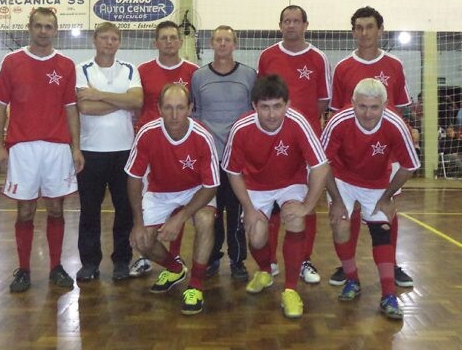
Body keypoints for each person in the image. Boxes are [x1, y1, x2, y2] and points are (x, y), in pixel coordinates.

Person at [0, 7, 84, 293]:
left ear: (56, 31)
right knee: (25, 211)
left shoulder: (67, 65)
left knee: (57, 209)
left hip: (57, 148)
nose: (43, 31)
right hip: (22, 148)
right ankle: (24, 269)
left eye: (49, 26)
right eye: (39, 26)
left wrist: (76, 148)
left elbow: (71, 110)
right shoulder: (11, 61)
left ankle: (56, 266)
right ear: (29, 27)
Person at [222, 75, 327, 319]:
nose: (271, 114)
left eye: (278, 106)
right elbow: (233, 171)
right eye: (265, 107)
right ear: (254, 106)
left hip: (290, 182)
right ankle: (264, 271)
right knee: (256, 233)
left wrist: (307, 206)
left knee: (295, 218)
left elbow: (321, 167)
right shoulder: (241, 127)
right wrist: (247, 208)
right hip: (255, 185)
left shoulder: (298, 122)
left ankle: (290, 289)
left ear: (287, 104)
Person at [327, 6, 413, 288]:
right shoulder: (343, 67)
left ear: (380, 30)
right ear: (353, 32)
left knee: (387, 210)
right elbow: (335, 111)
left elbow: (400, 110)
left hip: (386, 153)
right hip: (350, 153)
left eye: (370, 27)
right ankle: (346, 265)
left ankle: (394, 264)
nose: (364, 33)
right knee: (345, 212)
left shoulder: (395, 65)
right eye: (359, 27)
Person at [321, 78, 421, 320]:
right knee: (340, 225)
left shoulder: (396, 125)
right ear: (352, 103)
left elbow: (409, 166)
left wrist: (387, 198)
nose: (367, 113)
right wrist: (336, 199)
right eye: (362, 106)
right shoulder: (338, 122)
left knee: (382, 231)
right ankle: (352, 279)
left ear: (385, 105)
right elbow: (321, 164)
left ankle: (388, 295)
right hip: (341, 179)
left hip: (376, 182)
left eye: (374, 107)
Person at [125, 83, 219, 316]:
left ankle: (196, 285)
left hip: (195, 190)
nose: (174, 115)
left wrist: (182, 217)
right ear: (158, 108)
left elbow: (211, 186)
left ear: (190, 108)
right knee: (141, 241)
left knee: (206, 220)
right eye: (168, 108)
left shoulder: (203, 136)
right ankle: (175, 268)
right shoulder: (147, 133)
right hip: (160, 192)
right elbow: (134, 179)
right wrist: (137, 223)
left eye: (180, 108)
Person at [256, 5, 331, 285]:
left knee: (303, 202)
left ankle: (303, 260)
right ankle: (271, 261)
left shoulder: (318, 58)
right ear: (280, 25)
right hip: (271, 141)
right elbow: (262, 95)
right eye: (286, 21)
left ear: (305, 25)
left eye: (296, 21)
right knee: (273, 200)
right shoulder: (267, 55)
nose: (291, 26)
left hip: (305, 143)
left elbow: (323, 100)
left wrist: (301, 122)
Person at [75, 22, 143, 282]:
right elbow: (85, 108)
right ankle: (90, 263)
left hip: (124, 151)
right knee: (89, 210)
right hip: (91, 151)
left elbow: (137, 101)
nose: (109, 42)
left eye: (114, 38)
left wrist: (100, 95)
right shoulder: (81, 69)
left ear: (119, 42)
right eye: (104, 38)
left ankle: (122, 262)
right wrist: (119, 101)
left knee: (124, 210)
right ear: (95, 40)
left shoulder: (129, 69)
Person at [131, 20, 199, 277]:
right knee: (151, 201)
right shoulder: (143, 71)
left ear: (181, 42)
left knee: (178, 200)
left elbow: (195, 109)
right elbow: (137, 107)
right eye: (164, 38)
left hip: (181, 147)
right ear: (155, 42)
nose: (169, 42)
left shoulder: (193, 71)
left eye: (173, 37)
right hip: (150, 148)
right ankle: (147, 257)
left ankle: (176, 255)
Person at [191, 25, 256, 280]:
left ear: (235, 44)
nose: (222, 44)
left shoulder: (250, 75)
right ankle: (212, 257)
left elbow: (254, 114)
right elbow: (196, 114)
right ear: (211, 44)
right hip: (210, 157)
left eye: (227, 40)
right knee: (213, 212)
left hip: (238, 159)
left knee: (237, 213)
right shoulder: (198, 77)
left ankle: (238, 261)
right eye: (218, 39)